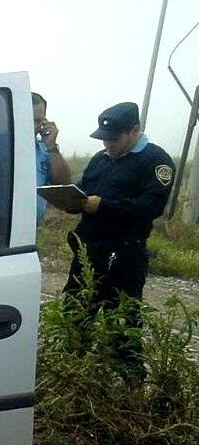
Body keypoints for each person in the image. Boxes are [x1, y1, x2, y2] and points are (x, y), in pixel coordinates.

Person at [63, 101, 175, 371]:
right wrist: (68, 198)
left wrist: (104, 206)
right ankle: (71, 381)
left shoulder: (155, 161)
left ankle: (130, 392)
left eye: (114, 138)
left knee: (122, 327)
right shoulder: (101, 160)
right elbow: (84, 190)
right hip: (88, 253)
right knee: (73, 319)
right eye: (104, 139)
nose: (108, 145)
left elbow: (151, 207)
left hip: (124, 256)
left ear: (134, 130)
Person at [0, 92, 73, 246]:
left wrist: (52, 148)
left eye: (40, 121)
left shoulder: (44, 149)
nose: (36, 126)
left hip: (29, 230)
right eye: (32, 120)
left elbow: (64, 183)